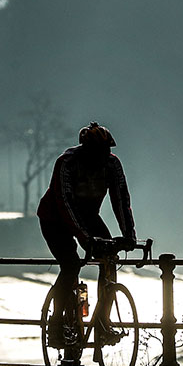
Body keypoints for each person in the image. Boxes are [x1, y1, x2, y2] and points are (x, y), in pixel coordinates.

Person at [37, 121, 137, 345]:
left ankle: (103, 323)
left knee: (109, 260)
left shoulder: (112, 165)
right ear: (86, 150)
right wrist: (85, 238)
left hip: (88, 215)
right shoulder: (67, 163)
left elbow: (121, 199)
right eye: (98, 153)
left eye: (106, 152)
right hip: (54, 219)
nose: (103, 158)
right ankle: (56, 325)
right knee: (71, 265)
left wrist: (129, 234)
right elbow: (65, 203)